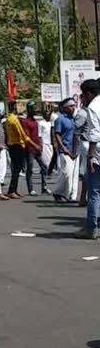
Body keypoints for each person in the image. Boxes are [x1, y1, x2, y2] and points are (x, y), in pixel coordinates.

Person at [79, 80, 100, 238]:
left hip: (98, 155)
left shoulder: (93, 107)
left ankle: (91, 229)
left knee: (94, 194)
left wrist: (90, 156)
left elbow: (94, 134)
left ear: (87, 93)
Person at [53, 98, 79, 203]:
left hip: (75, 150)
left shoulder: (74, 119)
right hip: (65, 150)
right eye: (71, 106)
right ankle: (59, 192)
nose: (73, 108)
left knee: (73, 174)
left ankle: (69, 195)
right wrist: (63, 148)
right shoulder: (60, 119)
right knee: (66, 173)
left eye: (74, 105)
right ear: (64, 108)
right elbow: (57, 135)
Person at [5, 102, 32, 199]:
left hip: (11, 145)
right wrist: (30, 142)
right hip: (17, 145)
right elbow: (21, 133)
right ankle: (12, 190)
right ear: (15, 109)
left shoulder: (8, 119)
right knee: (17, 169)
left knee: (16, 169)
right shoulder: (14, 120)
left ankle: (13, 190)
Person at [21, 101, 46, 195]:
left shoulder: (35, 121)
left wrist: (40, 145)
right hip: (30, 149)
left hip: (37, 148)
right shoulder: (26, 122)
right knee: (30, 168)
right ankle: (30, 189)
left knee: (44, 167)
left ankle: (44, 186)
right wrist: (35, 145)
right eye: (34, 108)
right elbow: (26, 138)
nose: (36, 110)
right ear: (29, 109)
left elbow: (38, 135)